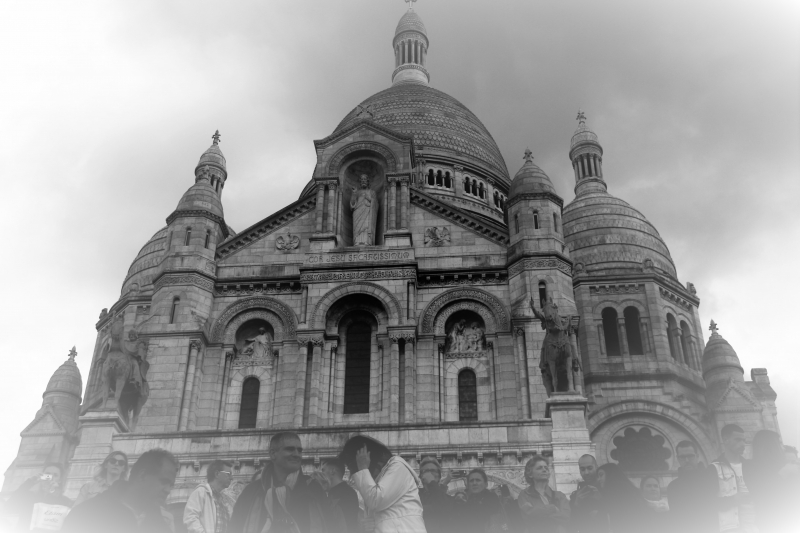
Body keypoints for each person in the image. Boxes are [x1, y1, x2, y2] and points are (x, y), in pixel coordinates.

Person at [229, 431, 342, 533]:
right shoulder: (252, 491)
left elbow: (331, 526)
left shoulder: (313, 488)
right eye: (290, 449)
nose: (296, 454)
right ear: (273, 454)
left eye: (299, 450)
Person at [63, 448, 178, 533]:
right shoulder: (86, 513)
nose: (168, 490)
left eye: (171, 485)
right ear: (142, 475)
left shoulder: (163, 524)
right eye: (164, 481)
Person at [342, 434, 426, 532]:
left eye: (355, 464)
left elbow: (376, 500)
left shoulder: (397, 466)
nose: (355, 470)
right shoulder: (375, 482)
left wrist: (363, 468)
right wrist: (369, 526)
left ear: (368, 457)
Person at [746, 429, 798, 533]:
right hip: (772, 523)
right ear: (770, 446)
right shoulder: (752, 468)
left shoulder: (785, 466)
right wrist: (782, 474)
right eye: (779, 443)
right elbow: (761, 495)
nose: (783, 448)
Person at [710, 424, 757, 533]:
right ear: (725, 440)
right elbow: (707, 503)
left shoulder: (751, 466)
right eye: (738, 440)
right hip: (730, 528)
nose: (742, 444)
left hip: (755, 527)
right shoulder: (713, 469)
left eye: (744, 440)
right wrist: (733, 499)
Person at [4, 462, 72, 532]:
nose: (51, 477)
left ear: (60, 480)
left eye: (55, 475)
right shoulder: (30, 496)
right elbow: (9, 506)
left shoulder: (66, 502)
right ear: (42, 476)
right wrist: (30, 482)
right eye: (47, 474)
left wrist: (53, 491)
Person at [666, 440, 717, 533]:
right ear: (678, 459)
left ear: (697, 456)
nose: (687, 460)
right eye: (682, 457)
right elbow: (676, 519)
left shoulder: (711, 480)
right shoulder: (673, 487)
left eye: (690, 456)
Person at [517, 456, 569, 533]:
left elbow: (566, 517)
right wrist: (552, 509)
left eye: (546, 468)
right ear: (530, 474)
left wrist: (539, 513)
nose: (544, 470)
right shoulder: (524, 495)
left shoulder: (560, 496)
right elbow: (529, 516)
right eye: (539, 468)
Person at [595, 463, 648, 533]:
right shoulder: (628, 487)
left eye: (601, 475)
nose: (599, 479)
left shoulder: (615, 489)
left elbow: (614, 513)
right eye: (598, 476)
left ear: (610, 473)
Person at [184, 459, 233, 533]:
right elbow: (190, 518)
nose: (232, 478)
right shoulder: (200, 492)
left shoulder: (224, 501)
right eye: (228, 474)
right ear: (217, 474)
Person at [418, 457, 461, 533]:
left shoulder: (449, 500)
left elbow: (444, 508)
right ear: (421, 476)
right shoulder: (415, 497)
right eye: (426, 471)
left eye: (433, 471)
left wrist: (432, 482)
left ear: (439, 476)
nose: (430, 473)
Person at [462, 468, 508, 533]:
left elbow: (481, 517)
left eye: (478, 480)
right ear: (467, 485)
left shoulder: (491, 498)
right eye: (471, 481)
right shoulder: (466, 500)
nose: (474, 483)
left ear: (486, 484)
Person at [320, 458, 359, 533]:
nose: (321, 474)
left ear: (332, 471)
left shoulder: (347, 493)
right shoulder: (341, 492)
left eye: (323, 470)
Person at [569, 455, 607, 533]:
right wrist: (576, 505)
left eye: (590, 468)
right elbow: (571, 526)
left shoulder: (607, 489)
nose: (586, 472)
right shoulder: (576, 495)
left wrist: (601, 500)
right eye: (582, 469)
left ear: (596, 467)